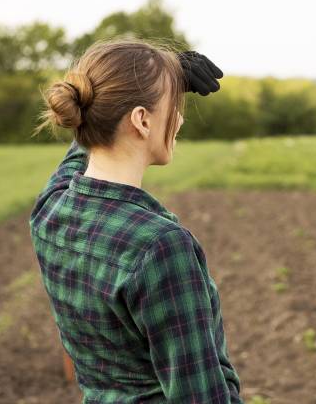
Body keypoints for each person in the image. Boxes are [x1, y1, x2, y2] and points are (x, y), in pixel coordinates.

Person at [27, 38, 242, 403]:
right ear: (142, 120)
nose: (180, 117)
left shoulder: (50, 210)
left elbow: (83, 146)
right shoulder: (159, 246)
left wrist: (164, 73)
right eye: (174, 105)